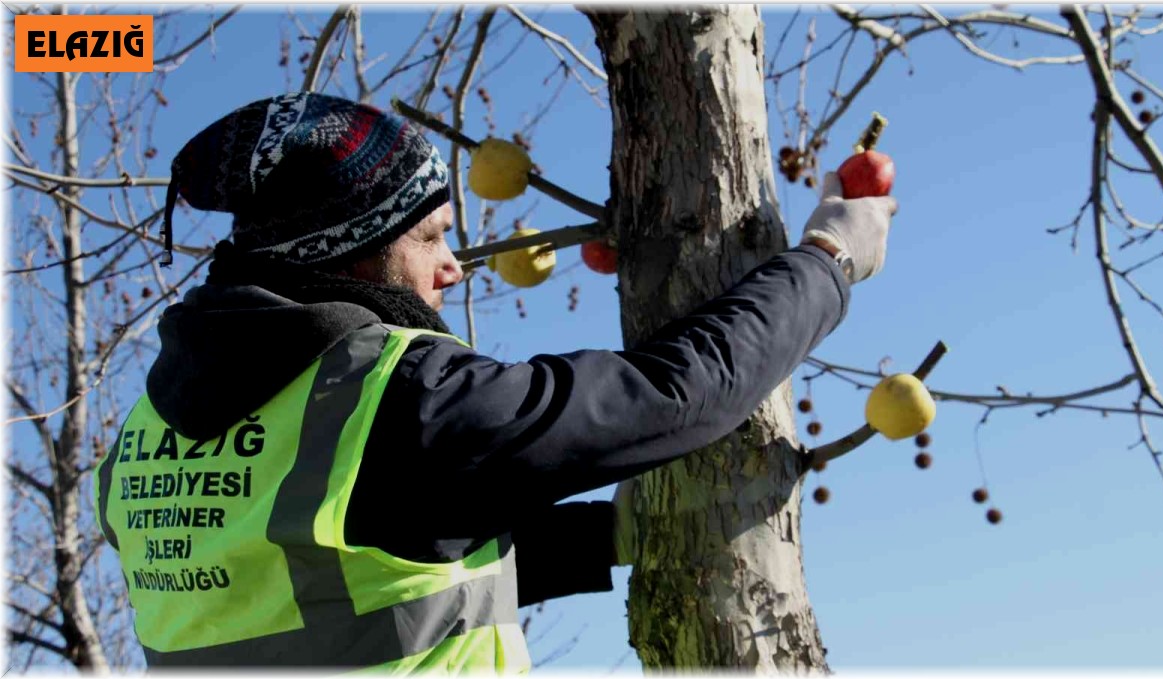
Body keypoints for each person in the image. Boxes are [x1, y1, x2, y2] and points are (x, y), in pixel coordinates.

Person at [92, 92, 897, 672]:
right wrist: (829, 259)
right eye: (433, 236)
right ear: (354, 250)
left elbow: (343, 595)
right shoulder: (395, 398)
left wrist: (601, 538)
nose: (452, 267)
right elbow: (677, 391)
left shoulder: (136, 445)